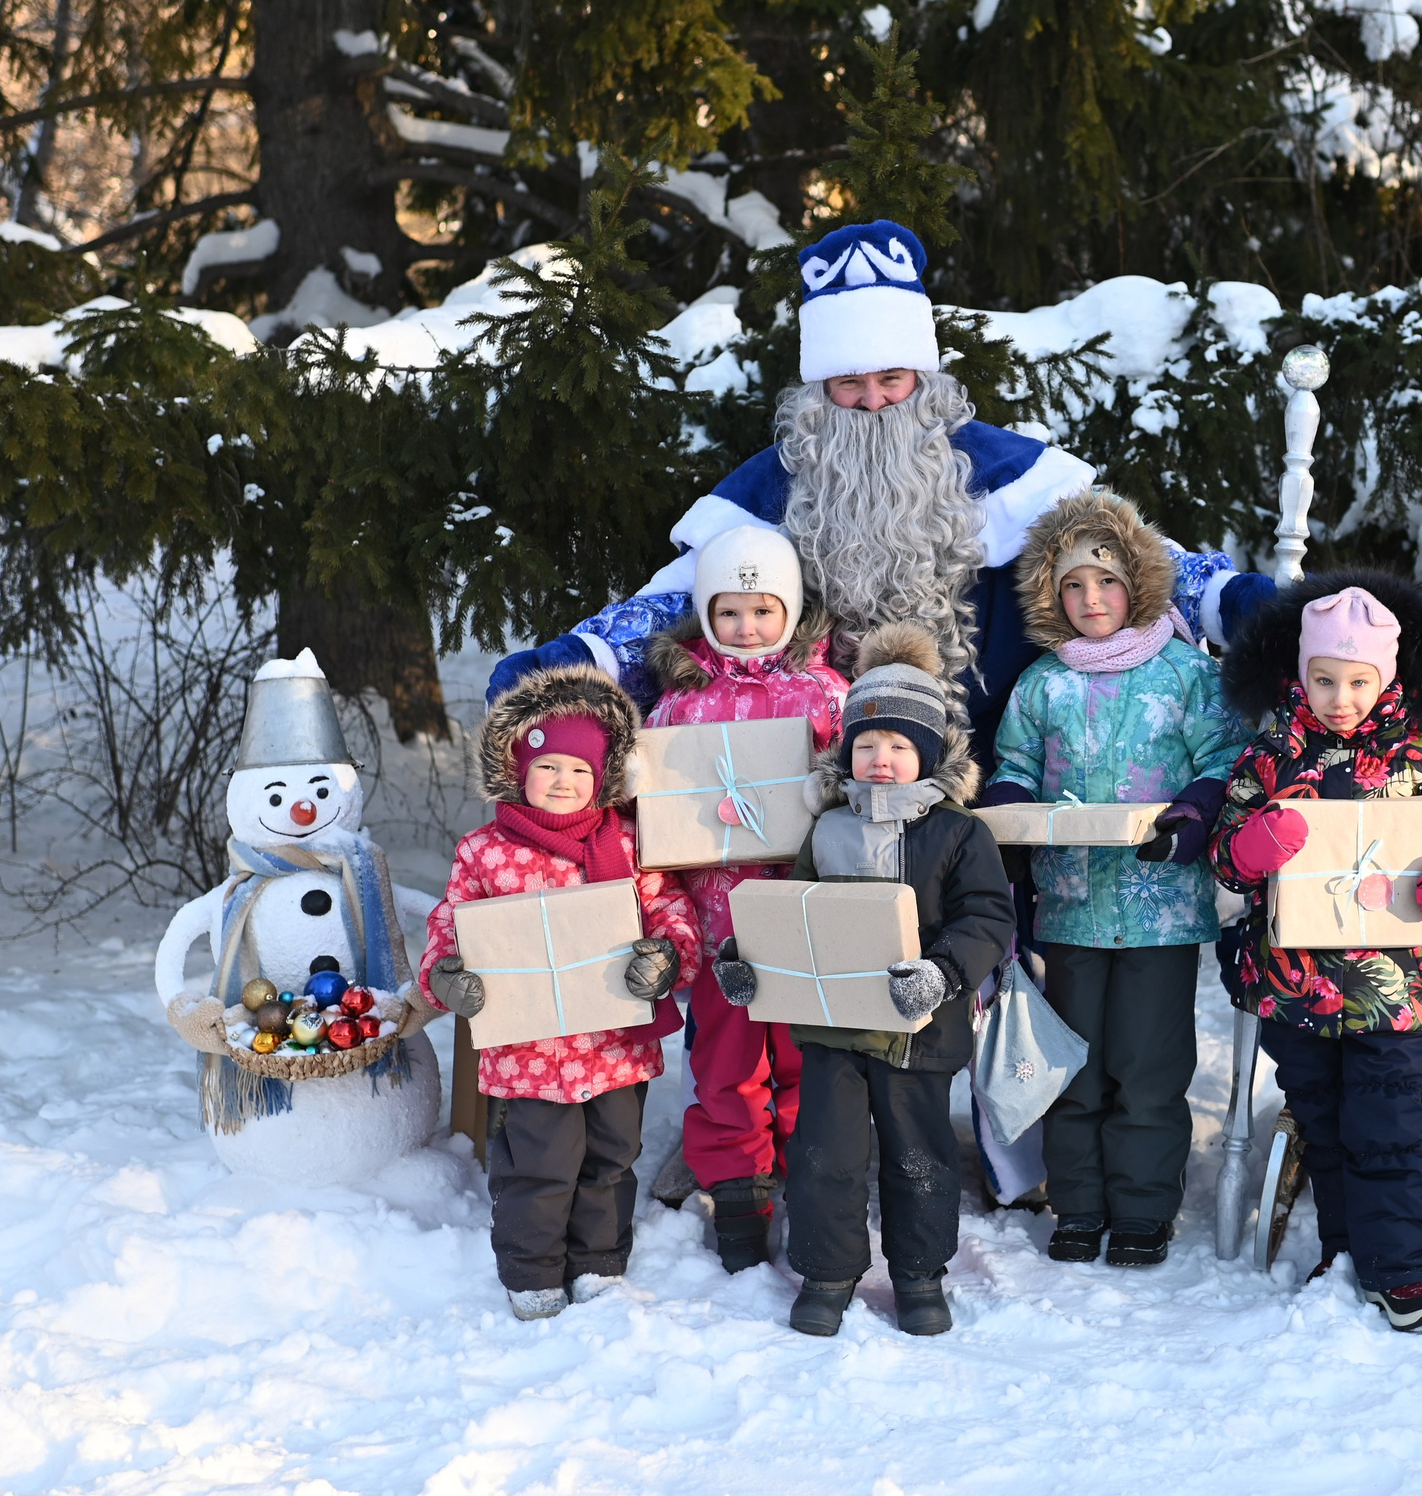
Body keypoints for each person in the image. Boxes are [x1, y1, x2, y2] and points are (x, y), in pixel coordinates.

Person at [482, 220, 1281, 761]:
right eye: (849, 383)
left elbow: (1131, 560)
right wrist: (569, 665)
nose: (872, 403)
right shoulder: (771, 488)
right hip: (818, 780)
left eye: (891, 378)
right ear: (817, 386)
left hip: (996, 771)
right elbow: (672, 602)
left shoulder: (1006, 473)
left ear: (924, 376)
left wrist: (1248, 605)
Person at [1209, 576, 1422, 1333]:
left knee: (1390, 1122)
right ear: (1301, 675)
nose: (1341, 697)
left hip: (1395, 989)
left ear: (1387, 679)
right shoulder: (1274, 753)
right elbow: (1224, 856)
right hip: (1297, 986)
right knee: (1327, 1121)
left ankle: (1402, 1271)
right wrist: (1254, 843)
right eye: (1325, 679)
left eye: (1358, 681)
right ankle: (1344, 1250)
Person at [712, 625, 1015, 1337]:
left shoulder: (958, 834)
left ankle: (918, 1273)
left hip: (917, 1031)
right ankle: (827, 1271)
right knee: (825, 1156)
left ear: (929, 756)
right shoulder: (827, 829)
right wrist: (747, 958)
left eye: (900, 746)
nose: (882, 759)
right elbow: (795, 916)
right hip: (833, 1029)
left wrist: (941, 973)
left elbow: (987, 918)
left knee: (918, 1157)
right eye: (868, 745)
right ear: (847, 751)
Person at [981, 489, 1248, 1267]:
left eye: (1104, 582)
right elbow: (1017, 767)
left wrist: (1193, 819)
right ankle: (1079, 1203)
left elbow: (1225, 763)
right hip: (1069, 908)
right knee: (1077, 1067)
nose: (1090, 599)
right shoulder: (1043, 684)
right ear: (1051, 595)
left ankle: (1141, 1209)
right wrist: (1006, 814)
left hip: (1161, 909)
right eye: (1073, 586)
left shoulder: (1184, 675)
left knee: (1148, 1066)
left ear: (1136, 583)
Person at [419, 664, 701, 1321]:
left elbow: (669, 911)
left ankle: (600, 1262)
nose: (564, 781)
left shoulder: (626, 842)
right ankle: (532, 1271)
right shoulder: (487, 850)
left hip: (614, 1043)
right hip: (530, 1049)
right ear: (518, 768)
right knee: (538, 1166)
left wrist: (666, 956)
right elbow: (451, 920)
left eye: (580, 769)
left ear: (602, 777)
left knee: (610, 1156)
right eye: (548, 767)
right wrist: (447, 972)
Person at [642, 525, 850, 1272]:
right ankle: (737, 1190)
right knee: (726, 1064)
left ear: (791, 612)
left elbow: (851, 782)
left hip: (800, 915)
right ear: (707, 615)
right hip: (717, 920)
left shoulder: (823, 693)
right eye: (729, 612)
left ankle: (805, 1182)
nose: (747, 627)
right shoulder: (681, 703)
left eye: (763, 610)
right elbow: (658, 800)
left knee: (800, 1059)